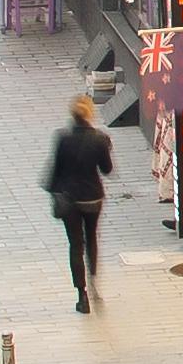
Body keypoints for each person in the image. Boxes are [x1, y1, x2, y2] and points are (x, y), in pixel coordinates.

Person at [47, 94, 113, 311]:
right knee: (91, 239)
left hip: (70, 199)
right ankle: (94, 281)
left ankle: (81, 294)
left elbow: (54, 172)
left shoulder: (63, 138)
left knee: (76, 244)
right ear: (90, 113)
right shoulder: (100, 139)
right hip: (92, 197)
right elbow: (107, 170)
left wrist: (54, 192)